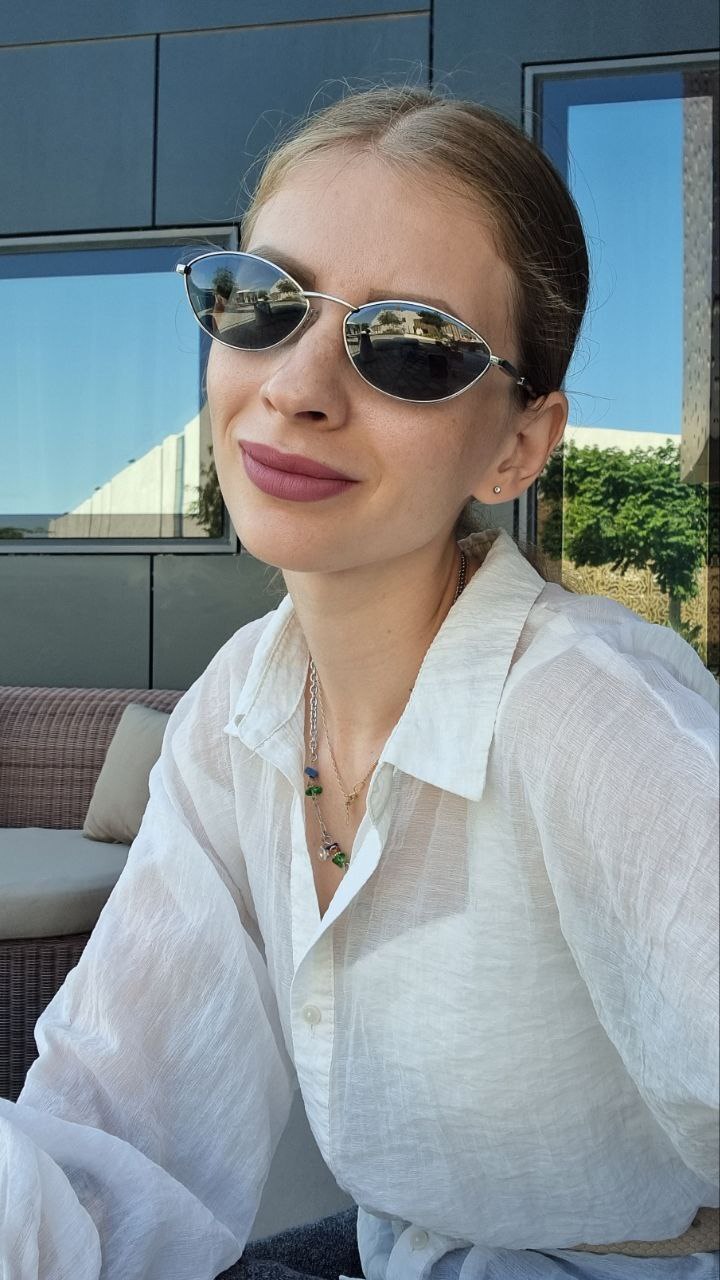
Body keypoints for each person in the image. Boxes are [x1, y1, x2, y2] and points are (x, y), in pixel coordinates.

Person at [1, 85, 718, 1280]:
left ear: (518, 444)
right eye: (260, 302)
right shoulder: (242, 706)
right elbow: (113, 1129)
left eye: (411, 345)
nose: (297, 385)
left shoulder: (591, 714)